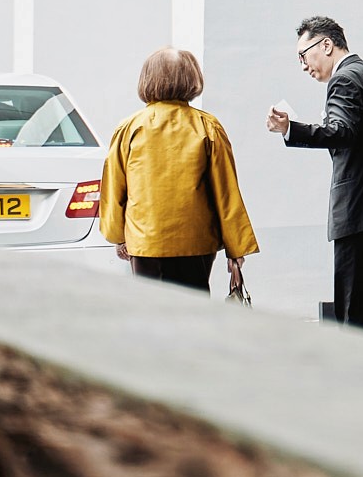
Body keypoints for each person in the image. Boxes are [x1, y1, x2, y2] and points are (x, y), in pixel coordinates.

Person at [266, 16, 363, 333]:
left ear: (326, 45)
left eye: (303, 56)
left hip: (359, 209)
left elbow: (342, 132)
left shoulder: (343, 80)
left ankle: (356, 368)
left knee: (353, 315)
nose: (303, 66)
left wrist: (290, 129)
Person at [101, 47, 258, 293]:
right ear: (192, 78)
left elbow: (114, 188)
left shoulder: (129, 128)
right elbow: (226, 192)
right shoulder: (208, 126)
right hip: (196, 242)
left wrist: (117, 236)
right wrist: (236, 247)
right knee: (193, 308)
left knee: (152, 307)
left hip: (146, 241)